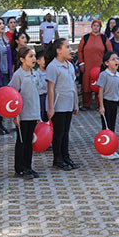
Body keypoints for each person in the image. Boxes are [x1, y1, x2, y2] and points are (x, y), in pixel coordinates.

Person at [8, 46, 41, 179]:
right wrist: (15, 115)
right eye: (30, 56)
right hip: (22, 114)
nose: (34, 59)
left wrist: (38, 114)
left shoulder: (35, 73)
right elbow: (12, 94)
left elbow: (36, 94)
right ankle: (19, 168)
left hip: (33, 112)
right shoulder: (18, 75)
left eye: (34, 56)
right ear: (22, 59)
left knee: (29, 141)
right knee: (21, 141)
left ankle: (28, 166)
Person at [46, 38, 79, 170]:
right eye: (67, 47)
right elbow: (50, 88)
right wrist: (51, 107)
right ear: (58, 51)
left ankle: (66, 156)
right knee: (58, 132)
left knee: (66, 132)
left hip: (69, 103)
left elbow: (74, 85)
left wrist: (76, 103)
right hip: (58, 105)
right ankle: (57, 159)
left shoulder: (69, 65)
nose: (70, 50)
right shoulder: (53, 67)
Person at [96, 52, 119, 160]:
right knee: (106, 127)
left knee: (112, 126)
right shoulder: (104, 75)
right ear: (106, 63)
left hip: (114, 102)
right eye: (113, 59)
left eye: (117, 58)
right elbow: (100, 90)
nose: (116, 61)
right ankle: (105, 150)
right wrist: (101, 106)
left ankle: (112, 149)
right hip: (106, 102)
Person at [77, 20, 113, 110]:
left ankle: (98, 104)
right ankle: (86, 104)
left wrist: (107, 64)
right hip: (87, 66)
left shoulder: (104, 38)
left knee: (99, 84)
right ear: (91, 27)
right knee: (86, 84)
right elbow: (80, 51)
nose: (95, 27)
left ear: (100, 27)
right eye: (94, 25)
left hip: (99, 66)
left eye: (97, 26)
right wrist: (81, 63)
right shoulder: (85, 38)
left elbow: (110, 52)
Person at [35, 50, 48, 123]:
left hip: (49, 96)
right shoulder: (36, 73)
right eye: (44, 59)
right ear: (38, 61)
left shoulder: (50, 71)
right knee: (42, 115)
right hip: (41, 97)